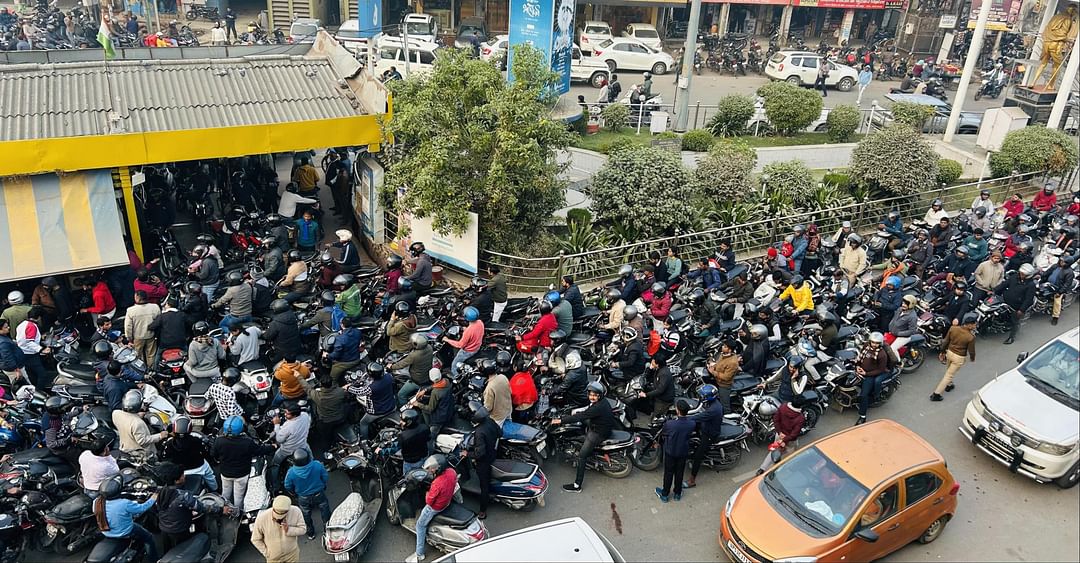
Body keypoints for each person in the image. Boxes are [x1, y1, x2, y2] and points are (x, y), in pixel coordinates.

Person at [551, 382, 615, 493]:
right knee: (581, 422)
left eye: (595, 395)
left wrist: (561, 420)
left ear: (600, 395)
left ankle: (577, 485)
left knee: (582, 456)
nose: (592, 397)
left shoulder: (597, 407)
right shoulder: (602, 402)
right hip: (600, 426)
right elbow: (585, 413)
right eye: (591, 394)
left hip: (598, 433)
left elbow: (582, 416)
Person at [156, 461, 227, 551]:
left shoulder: (162, 491)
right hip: (180, 530)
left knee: (168, 551)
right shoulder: (184, 496)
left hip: (164, 529)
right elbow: (202, 507)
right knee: (184, 552)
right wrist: (220, 510)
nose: (184, 476)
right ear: (176, 480)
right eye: (182, 475)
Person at [214, 416, 275, 508]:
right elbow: (260, 450)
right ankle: (237, 514)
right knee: (239, 496)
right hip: (241, 474)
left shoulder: (219, 440)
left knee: (225, 493)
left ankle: (225, 510)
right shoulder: (247, 442)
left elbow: (214, 454)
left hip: (225, 473)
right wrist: (272, 447)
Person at [407, 455, 458, 563]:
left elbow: (429, 502)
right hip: (446, 502)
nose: (431, 470)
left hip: (435, 507)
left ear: (438, 469)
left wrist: (427, 493)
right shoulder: (451, 472)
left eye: (433, 468)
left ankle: (419, 554)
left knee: (420, 526)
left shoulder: (437, 483)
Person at [95, 475, 159, 562]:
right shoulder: (125, 503)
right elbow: (142, 508)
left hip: (106, 532)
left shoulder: (96, 502)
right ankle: (154, 560)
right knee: (149, 538)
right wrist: (153, 498)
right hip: (126, 531)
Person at [463, 401, 500, 519]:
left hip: (484, 461)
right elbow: (500, 433)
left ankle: (482, 511)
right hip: (494, 453)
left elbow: (480, 453)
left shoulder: (479, 432)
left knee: (484, 486)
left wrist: (467, 453)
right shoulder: (490, 421)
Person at [162, 415, 218, 493]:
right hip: (199, 468)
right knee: (210, 476)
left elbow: (165, 457)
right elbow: (205, 453)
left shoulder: (169, 443)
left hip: (180, 473)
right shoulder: (197, 441)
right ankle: (216, 490)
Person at [283, 449, 330, 541]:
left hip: (303, 497)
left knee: (306, 515)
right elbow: (325, 476)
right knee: (325, 509)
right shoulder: (317, 465)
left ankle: (310, 533)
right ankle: (328, 530)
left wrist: (294, 493)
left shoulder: (291, 472)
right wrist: (323, 485)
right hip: (319, 494)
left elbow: (287, 486)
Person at [653, 399, 693, 503]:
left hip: (671, 452)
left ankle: (665, 494)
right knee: (679, 473)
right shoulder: (691, 424)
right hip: (683, 452)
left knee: (668, 473)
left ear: (678, 411)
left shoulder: (670, 424)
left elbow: (664, 434)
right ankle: (677, 493)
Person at [931, 313, 978, 401]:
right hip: (959, 357)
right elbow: (971, 350)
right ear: (969, 325)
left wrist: (942, 352)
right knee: (949, 375)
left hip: (950, 352)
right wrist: (972, 358)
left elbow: (946, 341)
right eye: (974, 324)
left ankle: (949, 385)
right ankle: (936, 394)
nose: (975, 326)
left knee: (948, 370)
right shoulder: (970, 337)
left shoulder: (953, 329)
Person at [268, 403, 312, 495]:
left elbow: (279, 439)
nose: (285, 414)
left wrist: (276, 425)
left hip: (287, 450)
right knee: (311, 459)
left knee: (275, 464)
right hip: (303, 445)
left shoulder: (288, 426)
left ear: (294, 415)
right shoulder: (304, 416)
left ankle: (275, 486)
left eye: (287, 414)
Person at [298, 375, 348, 455]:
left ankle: (327, 449)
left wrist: (299, 377)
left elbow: (307, 388)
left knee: (325, 436)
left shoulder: (318, 396)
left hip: (325, 421)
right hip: (340, 417)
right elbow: (345, 394)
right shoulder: (340, 392)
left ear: (321, 384)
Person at [757, 395, 806, 475]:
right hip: (790, 440)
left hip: (779, 436)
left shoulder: (783, 407)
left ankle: (762, 468)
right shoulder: (800, 418)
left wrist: (780, 433)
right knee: (788, 456)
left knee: (774, 451)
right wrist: (785, 439)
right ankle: (772, 472)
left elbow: (776, 420)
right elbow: (794, 434)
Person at [251, 495, 307, 563]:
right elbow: (255, 539)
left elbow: (303, 529)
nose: (279, 518)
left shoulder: (296, 511)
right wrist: (267, 553)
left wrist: (288, 530)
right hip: (273, 558)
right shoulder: (262, 518)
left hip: (292, 555)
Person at [413, 368, 454, 450]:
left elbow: (430, 409)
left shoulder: (435, 392)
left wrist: (418, 404)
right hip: (449, 410)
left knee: (430, 438)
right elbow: (436, 385)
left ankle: (429, 454)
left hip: (439, 419)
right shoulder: (446, 381)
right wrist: (425, 390)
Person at [854, 332, 890, 425]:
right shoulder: (866, 346)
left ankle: (862, 416)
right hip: (860, 370)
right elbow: (860, 356)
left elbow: (881, 370)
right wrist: (857, 365)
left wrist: (866, 373)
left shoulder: (882, 354)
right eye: (873, 342)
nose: (874, 344)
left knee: (863, 395)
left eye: (877, 343)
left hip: (870, 375)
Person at [996, 264, 1037, 345]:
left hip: (1016, 306)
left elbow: (1028, 299)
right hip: (1005, 300)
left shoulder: (1031, 285)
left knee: (1015, 321)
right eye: (1021, 273)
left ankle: (1011, 337)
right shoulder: (1014, 277)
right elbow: (1005, 284)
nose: (1021, 275)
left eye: (1023, 274)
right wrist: (994, 291)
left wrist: (1021, 310)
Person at [354, 362, 397, 439]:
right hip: (392, 406)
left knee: (363, 423)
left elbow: (359, 392)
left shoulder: (372, 387)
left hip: (378, 411)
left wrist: (348, 388)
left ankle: (365, 441)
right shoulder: (388, 377)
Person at [393, 333, 434, 405]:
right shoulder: (429, 348)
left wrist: (391, 366)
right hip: (428, 377)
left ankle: (405, 409)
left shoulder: (414, 355)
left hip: (417, 381)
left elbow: (402, 364)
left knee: (401, 395)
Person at [122, 291, 160, 367]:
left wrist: (129, 338)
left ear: (137, 298)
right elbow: (159, 322)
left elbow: (128, 327)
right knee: (151, 355)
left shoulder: (131, 310)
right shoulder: (155, 307)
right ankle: (151, 370)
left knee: (137, 356)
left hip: (137, 337)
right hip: (151, 335)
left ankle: (140, 370)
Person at [14, 307, 50, 388]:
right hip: (30, 354)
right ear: (39, 317)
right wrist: (42, 349)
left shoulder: (22, 324)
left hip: (22, 353)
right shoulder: (32, 326)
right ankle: (39, 392)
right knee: (42, 374)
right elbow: (29, 341)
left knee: (31, 374)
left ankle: (34, 388)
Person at [445, 306, 484, 378]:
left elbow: (460, 345)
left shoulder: (469, 332)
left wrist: (447, 340)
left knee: (454, 364)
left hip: (468, 351)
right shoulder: (480, 323)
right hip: (477, 347)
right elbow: (474, 331)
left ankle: (456, 377)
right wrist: (464, 329)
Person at [707, 339, 739, 411]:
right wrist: (712, 365)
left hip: (724, 385)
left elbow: (726, 377)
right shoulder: (723, 354)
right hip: (717, 381)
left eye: (725, 346)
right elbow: (718, 364)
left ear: (730, 350)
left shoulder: (732, 362)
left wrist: (713, 372)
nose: (722, 347)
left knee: (724, 405)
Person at [1045, 255, 1076, 325]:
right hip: (1048, 284)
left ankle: (1055, 317)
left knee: (1057, 302)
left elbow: (1067, 284)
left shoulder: (1069, 272)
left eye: (1063, 262)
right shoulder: (1055, 266)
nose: (1061, 262)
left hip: (1057, 288)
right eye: (1061, 261)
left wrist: (1060, 292)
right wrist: (1041, 277)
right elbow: (1047, 272)